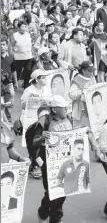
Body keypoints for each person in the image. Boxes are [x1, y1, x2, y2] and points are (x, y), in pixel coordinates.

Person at [32, 95, 73, 223]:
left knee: (60, 191)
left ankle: (43, 211)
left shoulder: (69, 119)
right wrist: (42, 138)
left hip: (65, 160)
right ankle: (54, 219)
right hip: (48, 162)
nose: (66, 109)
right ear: (54, 109)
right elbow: (34, 143)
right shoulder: (45, 121)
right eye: (63, 107)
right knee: (54, 191)